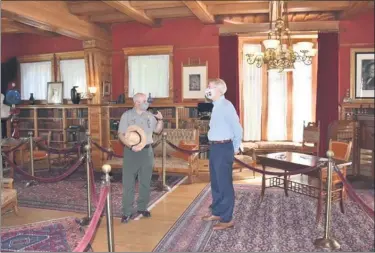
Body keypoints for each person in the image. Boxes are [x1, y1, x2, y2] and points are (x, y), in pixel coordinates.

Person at [201, 78, 243, 230]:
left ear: (219, 90)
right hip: (215, 148)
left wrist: (236, 146)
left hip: (224, 147)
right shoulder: (215, 106)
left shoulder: (226, 106)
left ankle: (227, 219)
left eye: (210, 87)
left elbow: (237, 129)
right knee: (216, 182)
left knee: (224, 183)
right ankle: (218, 212)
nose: (207, 89)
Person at [118, 93, 164, 223]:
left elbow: (158, 131)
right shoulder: (126, 116)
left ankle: (142, 207)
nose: (147, 103)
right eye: (144, 101)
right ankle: (127, 211)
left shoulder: (150, 115)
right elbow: (121, 135)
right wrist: (131, 146)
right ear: (137, 102)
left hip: (147, 152)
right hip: (131, 152)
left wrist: (160, 120)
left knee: (145, 182)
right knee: (128, 183)